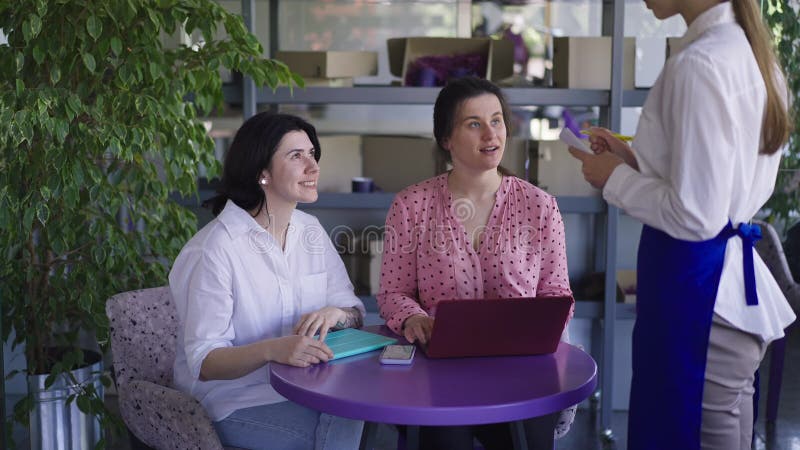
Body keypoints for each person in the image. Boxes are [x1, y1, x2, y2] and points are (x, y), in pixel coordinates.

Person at [567, 1, 796, 449]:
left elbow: (696, 213)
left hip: (701, 292)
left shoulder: (700, 63)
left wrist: (613, 177)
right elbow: (716, 181)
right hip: (717, 284)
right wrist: (633, 160)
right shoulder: (746, 50)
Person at [377, 76, 574, 450]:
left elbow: (556, 291)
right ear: (446, 139)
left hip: (523, 370)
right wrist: (414, 318)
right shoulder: (411, 205)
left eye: (497, 120)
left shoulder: (540, 206)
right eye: (474, 123)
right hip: (439, 371)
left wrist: (544, 327)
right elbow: (392, 291)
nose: (491, 134)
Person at [169, 112, 366, 450]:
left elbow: (355, 312)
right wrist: (274, 350)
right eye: (296, 156)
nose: (313, 166)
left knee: (359, 414)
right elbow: (204, 361)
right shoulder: (214, 249)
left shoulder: (311, 232)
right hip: (237, 399)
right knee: (340, 430)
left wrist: (336, 314)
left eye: (313, 154)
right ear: (262, 173)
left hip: (308, 387)